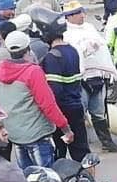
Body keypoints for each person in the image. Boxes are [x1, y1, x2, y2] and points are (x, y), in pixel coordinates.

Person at [0, 30, 73, 168]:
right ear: (28, 49)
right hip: (37, 133)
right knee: (46, 178)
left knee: (27, 176)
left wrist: (1, 101)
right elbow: (48, 105)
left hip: (14, 133)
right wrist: (66, 129)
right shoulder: (33, 72)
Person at [62, 1, 117, 152]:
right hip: (81, 79)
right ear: (70, 16)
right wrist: (84, 49)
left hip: (98, 76)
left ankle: (107, 143)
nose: (82, 15)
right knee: (80, 114)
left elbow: (102, 47)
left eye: (82, 12)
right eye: (78, 13)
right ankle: (82, 146)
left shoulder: (89, 27)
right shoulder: (65, 33)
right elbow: (71, 54)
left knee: (99, 112)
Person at [39, 17, 91, 161]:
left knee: (58, 154)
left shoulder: (52, 57)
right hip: (76, 106)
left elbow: (55, 90)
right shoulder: (72, 50)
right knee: (82, 154)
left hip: (62, 111)